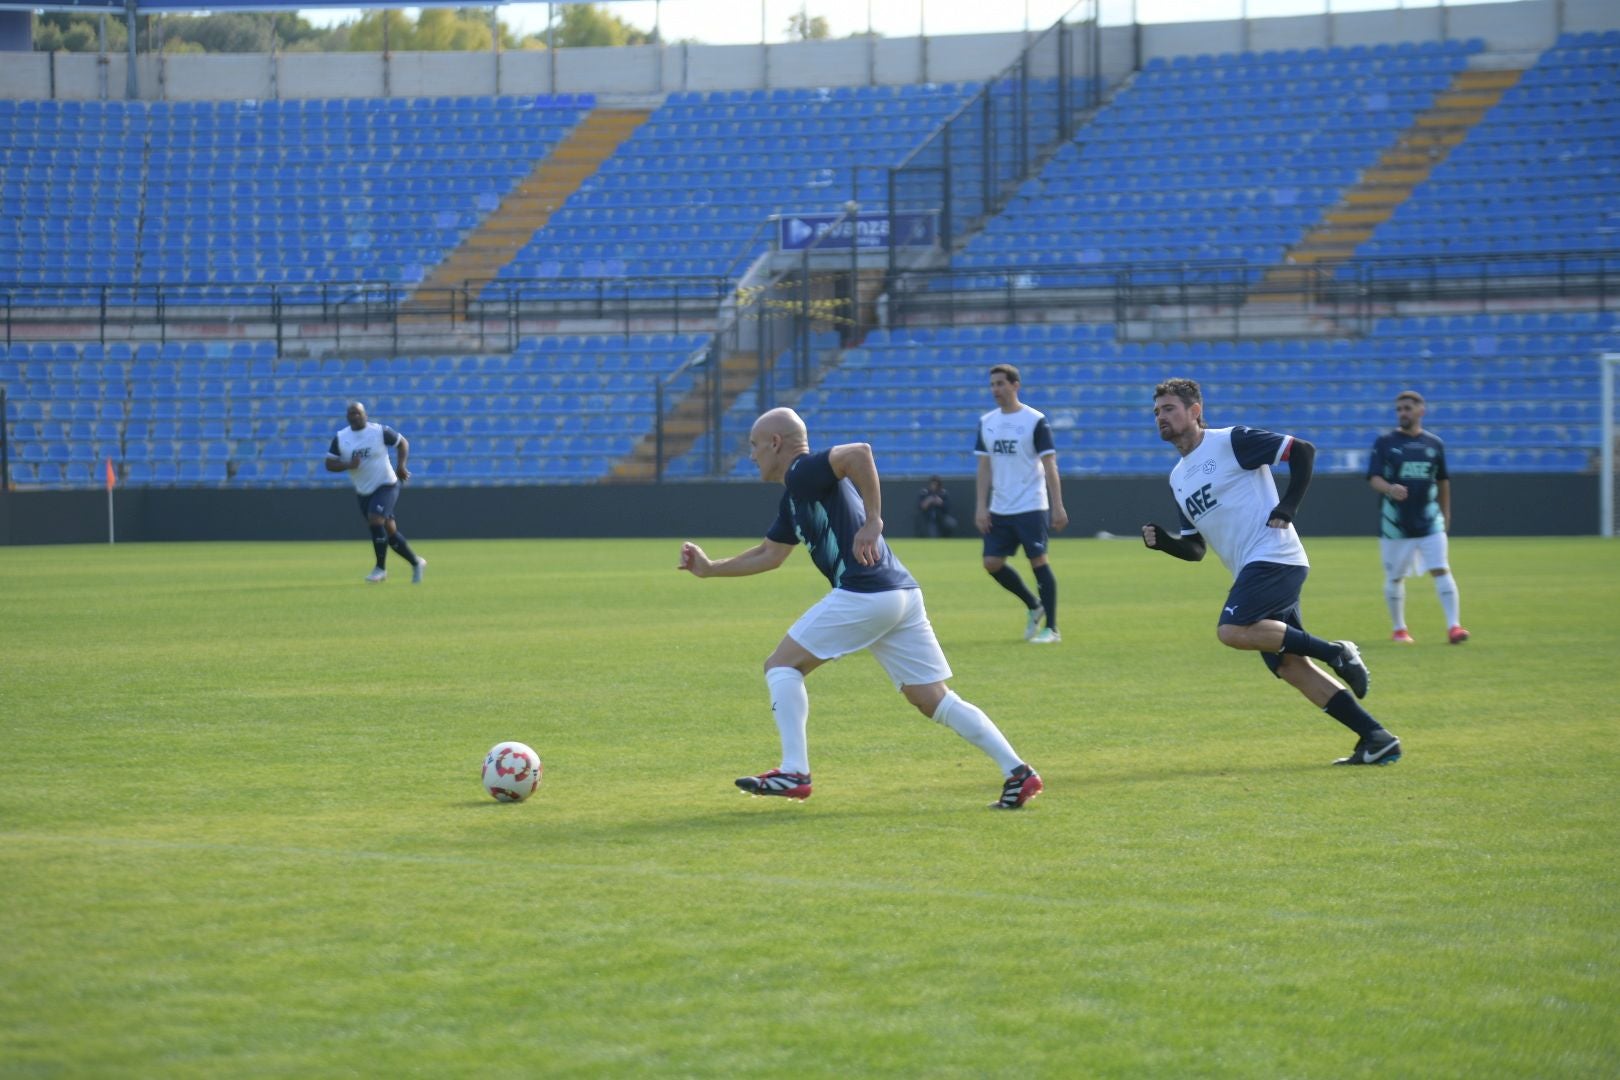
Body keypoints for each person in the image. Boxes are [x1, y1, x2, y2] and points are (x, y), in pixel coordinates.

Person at [677, 407, 1043, 809]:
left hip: (865, 593)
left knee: (781, 666)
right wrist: (711, 569)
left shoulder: (802, 471)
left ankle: (794, 772)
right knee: (932, 698)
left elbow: (859, 453)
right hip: (900, 595)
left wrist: (874, 522)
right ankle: (1018, 773)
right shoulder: (794, 497)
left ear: (775, 443)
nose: (751, 456)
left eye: (754, 446)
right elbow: (769, 554)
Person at [1140, 378, 1401, 766]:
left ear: (1195, 411)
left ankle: (1337, 651)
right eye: (1157, 411)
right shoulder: (1178, 477)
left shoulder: (1231, 441)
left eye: (1169, 409)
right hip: (1253, 568)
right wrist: (1165, 542)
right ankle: (1377, 738)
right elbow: (1195, 549)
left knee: (1231, 630)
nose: (1161, 417)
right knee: (1289, 665)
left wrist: (1289, 507)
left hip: (1275, 556)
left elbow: (1302, 451)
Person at [974, 363, 1069, 644]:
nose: (995, 390)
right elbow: (984, 466)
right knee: (991, 563)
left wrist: (1058, 505)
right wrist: (981, 505)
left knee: (1038, 561)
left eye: (1001, 384)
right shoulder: (987, 422)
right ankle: (1033, 604)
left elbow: (1050, 465)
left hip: (1031, 504)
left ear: (1016, 385)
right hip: (1000, 506)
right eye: (992, 385)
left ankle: (1051, 628)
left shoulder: (1035, 420)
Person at [1366, 390, 1469, 644]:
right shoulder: (1385, 443)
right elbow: (1373, 477)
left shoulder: (1434, 444)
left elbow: (1443, 481)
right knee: (1395, 577)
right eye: (1399, 409)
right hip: (1394, 524)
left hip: (1429, 520)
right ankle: (1399, 628)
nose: (1403, 413)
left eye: (1407, 408)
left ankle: (1454, 627)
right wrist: (1390, 488)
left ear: (1421, 411)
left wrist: (1445, 514)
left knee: (1441, 569)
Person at [325, 401, 426, 584]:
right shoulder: (341, 437)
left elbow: (402, 443)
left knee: (375, 520)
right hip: (364, 491)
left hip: (386, 484)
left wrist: (401, 466)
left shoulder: (379, 431)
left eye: (357, 413)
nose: (354, 416)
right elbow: (329, 463)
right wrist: (348, 464)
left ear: (365, 414)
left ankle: (380, 569)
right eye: (351, 414)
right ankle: (416, 562)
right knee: (389, 532)